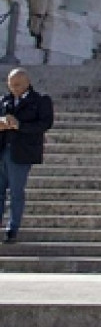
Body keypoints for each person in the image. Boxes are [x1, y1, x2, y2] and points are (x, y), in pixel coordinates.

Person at [0, 69, 53, 244]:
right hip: (3, 149)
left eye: (17, 85)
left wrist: (20, 126)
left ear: (26, 83)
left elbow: (45, 123)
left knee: (16, 192)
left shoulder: (39, 101)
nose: (13, 88)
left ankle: (12, 229)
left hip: (21, 152)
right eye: (11, 85)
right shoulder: (5, 100)